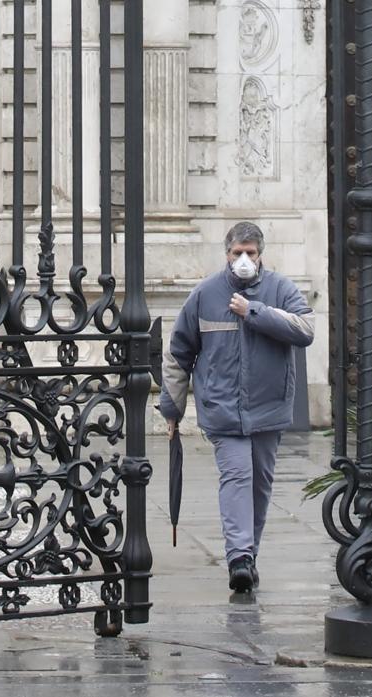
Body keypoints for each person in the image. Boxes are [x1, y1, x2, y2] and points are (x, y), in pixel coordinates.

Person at [157, 222, 315, 593]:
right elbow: (179, 352)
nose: (243, 260)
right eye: (236, 253)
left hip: (268, 408)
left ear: (261, 255)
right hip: (222, 409)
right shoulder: (205, 294)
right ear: (226, 253)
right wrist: (172, 409)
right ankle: (239, 557)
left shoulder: (280, 288)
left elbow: (305, 328)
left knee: (260, 484)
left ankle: (249, 554)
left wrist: (254, 311)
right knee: (237, 477)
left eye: (251, 253)